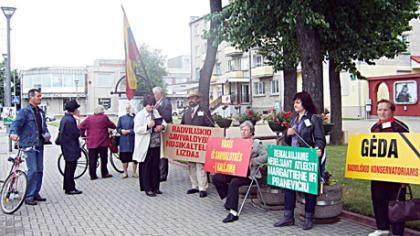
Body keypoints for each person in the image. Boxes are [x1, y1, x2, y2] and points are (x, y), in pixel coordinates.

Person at [274, 91, 326, 230]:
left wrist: (318, 148)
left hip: (307, 158)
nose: (295, 104)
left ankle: (309, 217)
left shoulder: (314, 119)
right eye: (294, 102)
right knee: (289, 186)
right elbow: (287, 139)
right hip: (293, 158)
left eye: (298, 102)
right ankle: (288, 216)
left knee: (309, 188)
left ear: (305, 103)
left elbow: (320, 138)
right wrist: (287, 134)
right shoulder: (294, 119)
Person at [212, 121, 267, 223]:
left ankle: (233, 213)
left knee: (234, 183)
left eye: (245, 130)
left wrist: (253, 161)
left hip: (248, 174)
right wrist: (226, 143)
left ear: (251, 132)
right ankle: (227, 200)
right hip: (235, 171)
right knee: (217, 178)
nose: (243, 132)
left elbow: (266, 156)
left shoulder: (256, 143)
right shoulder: (238, 142)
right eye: (241, 130)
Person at [368, 99, 409, 236]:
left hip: (396, 173)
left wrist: (405, 177)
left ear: (392, 111)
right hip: (378, 172)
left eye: (385, 109)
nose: (382, 112)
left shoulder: (400, 127)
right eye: (379, 109)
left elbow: (407, 152)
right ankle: (382, 227)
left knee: (396, 201)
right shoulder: (374, 128)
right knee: (378, 199)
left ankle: (397, 231)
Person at [9, 88, 51, 205]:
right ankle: (29, 196)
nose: (40, 98)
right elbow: (16, 123)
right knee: (32, 170)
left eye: (40, 96)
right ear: (31, 97)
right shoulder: (24, 112)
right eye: (38, 96)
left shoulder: (41, 112)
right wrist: (13, 133)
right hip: (28, 145)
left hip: (39, 144)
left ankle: (35, 192)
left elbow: (44, 126)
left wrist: (47, 133)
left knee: (39, 170)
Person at [181, 90, 214, 198]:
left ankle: (202, 187)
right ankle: (194, 185)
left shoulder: (204, 111)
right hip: (190, 145)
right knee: (191, 165)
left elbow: (211, 125)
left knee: (200, 165)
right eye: (189, 98)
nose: (191, 100)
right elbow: (181, 127)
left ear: (198, 99)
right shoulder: (186, 113)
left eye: (193, 98)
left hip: (201, 144)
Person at [133, 95, 166, 197]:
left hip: (156, 144)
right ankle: (147, 188)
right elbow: (137, 129)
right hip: (146, 145)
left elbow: (164, 122)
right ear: (145, 105)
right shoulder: (140, 115)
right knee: (146, 167)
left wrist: (162, 127)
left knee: (155, 167)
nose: (151, 107)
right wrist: (147, 126)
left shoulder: (156, 112)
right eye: (149, 106)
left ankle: (156, 187)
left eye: (153, 105)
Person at [79, 105, 116, 180]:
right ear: (102, 111)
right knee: (104, 159)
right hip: (102, 143)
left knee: (92, 160)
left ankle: (93, 175)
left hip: (91, 142)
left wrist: (82, 134)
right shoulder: (104, 117)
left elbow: (81, 126)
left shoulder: (89, 118)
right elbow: (112, 125)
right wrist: (113, 127)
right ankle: (104, 173)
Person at [59, 100, 83, 195]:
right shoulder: (70, 120)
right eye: (77, 109)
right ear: (74, 110)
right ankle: (70, 188)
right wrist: (78, 123)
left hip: (66, 146)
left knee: (68, 167)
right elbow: (76, 133)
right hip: (71, 146)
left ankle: (67, 186)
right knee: (71, 168)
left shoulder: (65, 118)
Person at [153, 86, 172, 183]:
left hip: (165, 130)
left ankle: (163, 174)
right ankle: (159, 172)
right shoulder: (156, 104)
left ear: (159, 94)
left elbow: (167, 117)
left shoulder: (166, 103)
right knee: (159, 152)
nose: (154, 96)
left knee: (164, 153)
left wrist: (158, 108)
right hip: (157, 131)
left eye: (154, 94)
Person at [116, 103, 137, 178]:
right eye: (127, 108)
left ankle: (134, 172)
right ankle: (125, 172)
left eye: (129, 108)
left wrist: (129, 131)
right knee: (124, 158)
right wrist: (121, 131)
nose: (128, 109)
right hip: (124, 141)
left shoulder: (135, 118)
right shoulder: (121, 118)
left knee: (134, 158)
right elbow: (118, 128)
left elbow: (137, 128)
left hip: (133, 140)